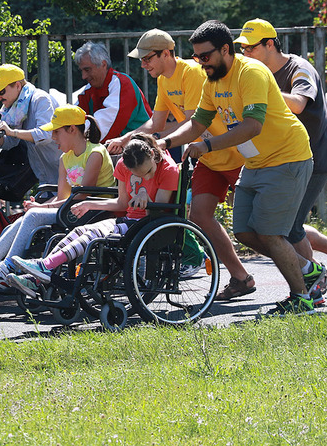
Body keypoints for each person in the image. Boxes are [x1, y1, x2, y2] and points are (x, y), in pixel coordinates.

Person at [159, 20, 326, 316]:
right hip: (256, 161)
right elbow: (197, 124)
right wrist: (165, 142)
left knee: (271, 233)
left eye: (205, 56)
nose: (200, 63)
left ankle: (302, 299)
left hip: (287, 157)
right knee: (246, 231)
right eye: (196, 57)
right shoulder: (212, 82)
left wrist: (207, 146)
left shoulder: (251, 72)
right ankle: (309, 270)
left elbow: (252, 126)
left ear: (225, 50)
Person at [106, 29, 252, 300]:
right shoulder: (164, 81)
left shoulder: (192, 74)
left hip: (235, 156)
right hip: (208, 158)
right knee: (199, 216)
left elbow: (192, 124)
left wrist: (158, 141)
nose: (143, 64)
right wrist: (127, 138)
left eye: (147, 58)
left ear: (166, 53)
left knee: (260, 227)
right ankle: (241, 277)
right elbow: (156, 123)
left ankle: (326, 258)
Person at [235, 18, 327, 293]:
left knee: (288, 228)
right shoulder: (256, 72)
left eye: (250, 48)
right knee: (286, 225)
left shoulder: (298, 68)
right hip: (282, 159)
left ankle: (312, 284)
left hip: (312, 159)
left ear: (270, 44)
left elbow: (298, 103)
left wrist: (263, 93)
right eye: (242, 49)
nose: (245, 54)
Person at [0, 105, 116, 289]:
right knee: (19, 221)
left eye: (56, 132)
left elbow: (82, 196)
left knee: (32, 216)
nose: (52, 137)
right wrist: (39, 205)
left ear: (72, 129)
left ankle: (5, 268)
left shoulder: (95, 153)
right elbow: (61, 197)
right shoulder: (65, 158)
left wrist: (41, 209)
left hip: (94, 212)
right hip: (73, 210)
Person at [4, 133, 180, 298]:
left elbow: (156, 213)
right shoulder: (123, 165)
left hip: (148, 225)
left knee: (92, 236)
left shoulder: (168, 169)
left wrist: (146, 199)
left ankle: (44, 266)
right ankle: (37, 277)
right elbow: (121, 203)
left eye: (148, 172)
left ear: (151, 153)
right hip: (129, 221)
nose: (147, 178)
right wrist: (89, 204)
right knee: (79, 231)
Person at [0, 64, 62, 191]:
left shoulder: (40, 99)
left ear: (18, 86)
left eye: (1, 91)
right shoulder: (12, 109)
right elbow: (10, 142)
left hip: (66, 175)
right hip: (45, 178)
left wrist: (12, 132)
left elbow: (45, 135)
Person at [73, 41, 153, 142]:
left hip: (142, 151)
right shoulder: (89, 90)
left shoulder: (123, 84)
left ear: (103, 64)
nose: (83, 76)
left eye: (87, 70)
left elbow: (103, 128)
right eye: (82, 71)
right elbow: (73, 118)